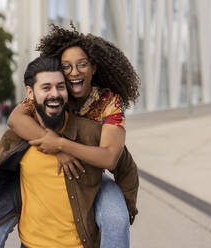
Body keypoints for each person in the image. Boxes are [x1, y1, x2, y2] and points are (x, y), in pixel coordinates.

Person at [0, 56, 138, 248]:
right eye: (46, 88)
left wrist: (120, 213)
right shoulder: (17, 136)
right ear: (30, 92)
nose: (55, 94)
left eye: (60, 87)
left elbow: (124, 166)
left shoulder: (90, 132)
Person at [7, 24, 140, 247]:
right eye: (66, 67)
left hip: (94, 172)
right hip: (51, 170)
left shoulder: (108, 101)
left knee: (116, 218)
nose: (74, 72)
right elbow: (16, 119)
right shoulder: (55, 89)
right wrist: (57, 150)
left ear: (94, 67)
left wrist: (61, 145)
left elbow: (109, 158)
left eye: (82, 65)